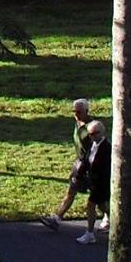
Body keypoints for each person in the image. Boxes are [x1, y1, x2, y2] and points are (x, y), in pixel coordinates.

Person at [37, 98, 98, 231]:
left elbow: (97, 147)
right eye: (74, 111)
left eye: (79, 112)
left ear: (87, 111)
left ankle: (111, 219)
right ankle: (57, 218)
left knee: (99, 198)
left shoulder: (92, 126)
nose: (76, 114)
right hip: (80, 164)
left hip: (91, 166)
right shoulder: (78, 123)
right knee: (71, 192)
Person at [75, 118, 111, 244]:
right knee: (102, 205)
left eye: (93, 134)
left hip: (101, 183)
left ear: (101, 133)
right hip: (93, 181)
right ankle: (117, 220)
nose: (91, 137)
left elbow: (105, 169)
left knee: (90, 205)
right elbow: (86, 161)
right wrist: (79, 175)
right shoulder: (92, 145)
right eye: (89, 134)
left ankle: (90, 233)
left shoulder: (106, 148)